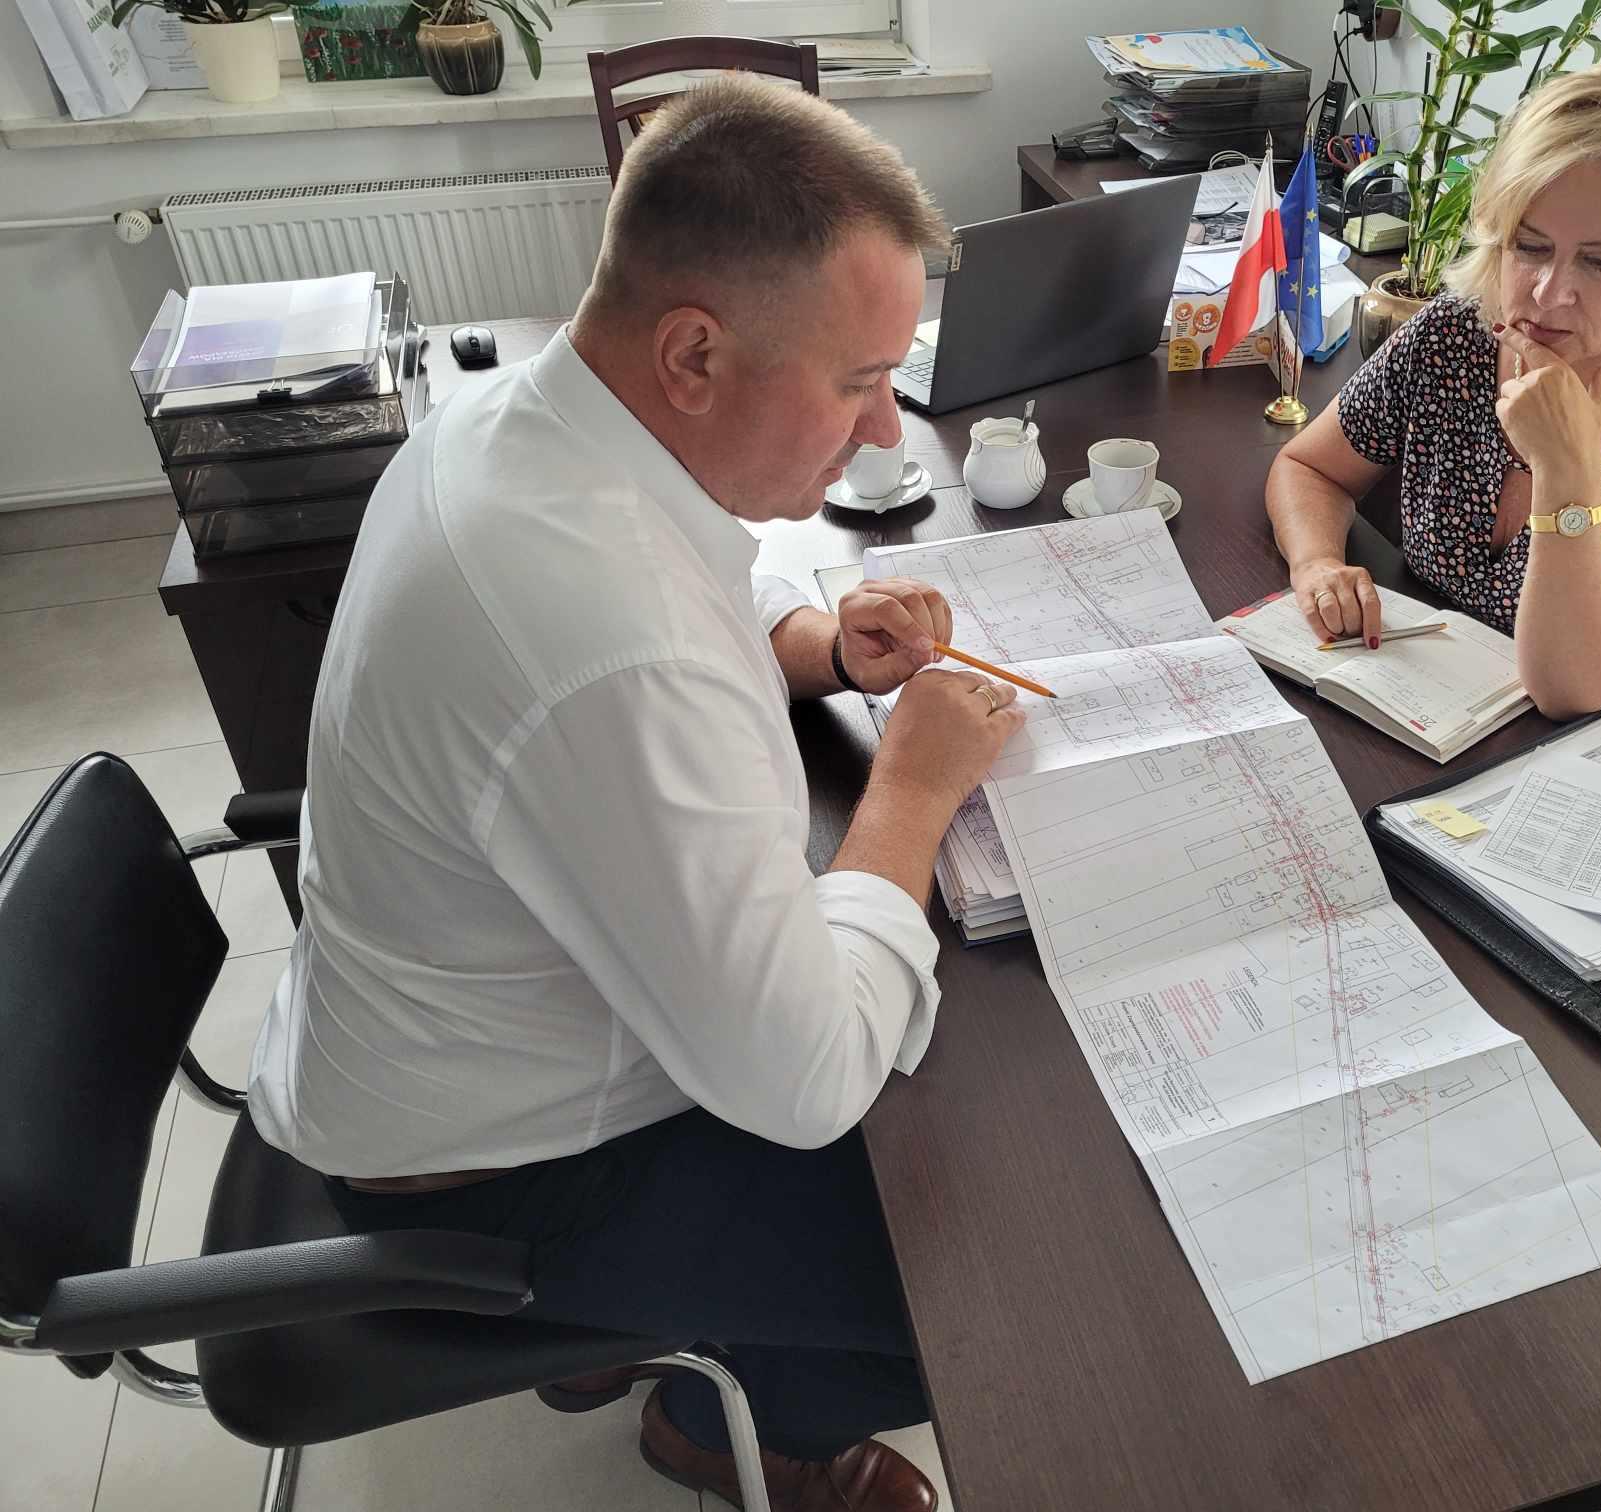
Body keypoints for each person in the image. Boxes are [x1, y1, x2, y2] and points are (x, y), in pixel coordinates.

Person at [245, 76, 1027, 1512]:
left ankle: (638, 1342)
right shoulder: (603, 639)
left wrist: (816, 648)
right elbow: (805, 1080)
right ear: (693, 355)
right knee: (993, 1295)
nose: (881, 433)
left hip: (432, 1033)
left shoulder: (516, 422)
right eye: (858, 382)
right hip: (486, 1171)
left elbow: (680, 602)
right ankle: (721, 1426)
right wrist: (914, 787)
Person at [1267, 61, 1601, 790]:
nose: (1547, 293)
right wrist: (1317, 563)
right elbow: (1310, 467)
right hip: (1464, 700)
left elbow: (1583, 691)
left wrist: (1566, 467)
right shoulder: (1454, 335)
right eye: (1529, 245)